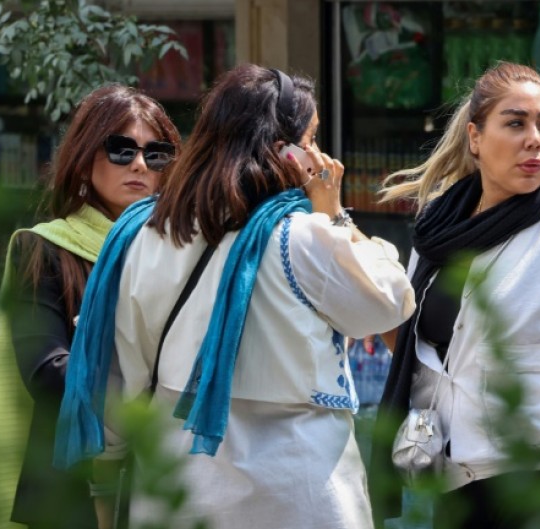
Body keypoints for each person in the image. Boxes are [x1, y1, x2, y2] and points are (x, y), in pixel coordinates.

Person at [52, 64, 416, 529]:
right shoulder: (304, 238)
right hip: (299, 493)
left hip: (180, 492)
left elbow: (118, 383)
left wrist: (106, 482)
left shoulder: (145, 234)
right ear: (285, 152)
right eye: (310, 139)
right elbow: (391, 300)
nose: (318, 155)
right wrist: (334, 214)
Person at [370, 62, 540, 529]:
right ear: (475, 137)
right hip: (458, 486)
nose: (534, 140)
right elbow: (423, 356)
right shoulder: (439, 229)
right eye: (516, 123)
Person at [0, 84, 181, 529]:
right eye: (121, 149)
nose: (139, 164)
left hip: (160, 480)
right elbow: (46, 371)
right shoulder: (43, 249)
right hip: (71, 492)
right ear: (86, 157)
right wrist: (151, 389)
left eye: (156, 154)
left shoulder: (179, 255)